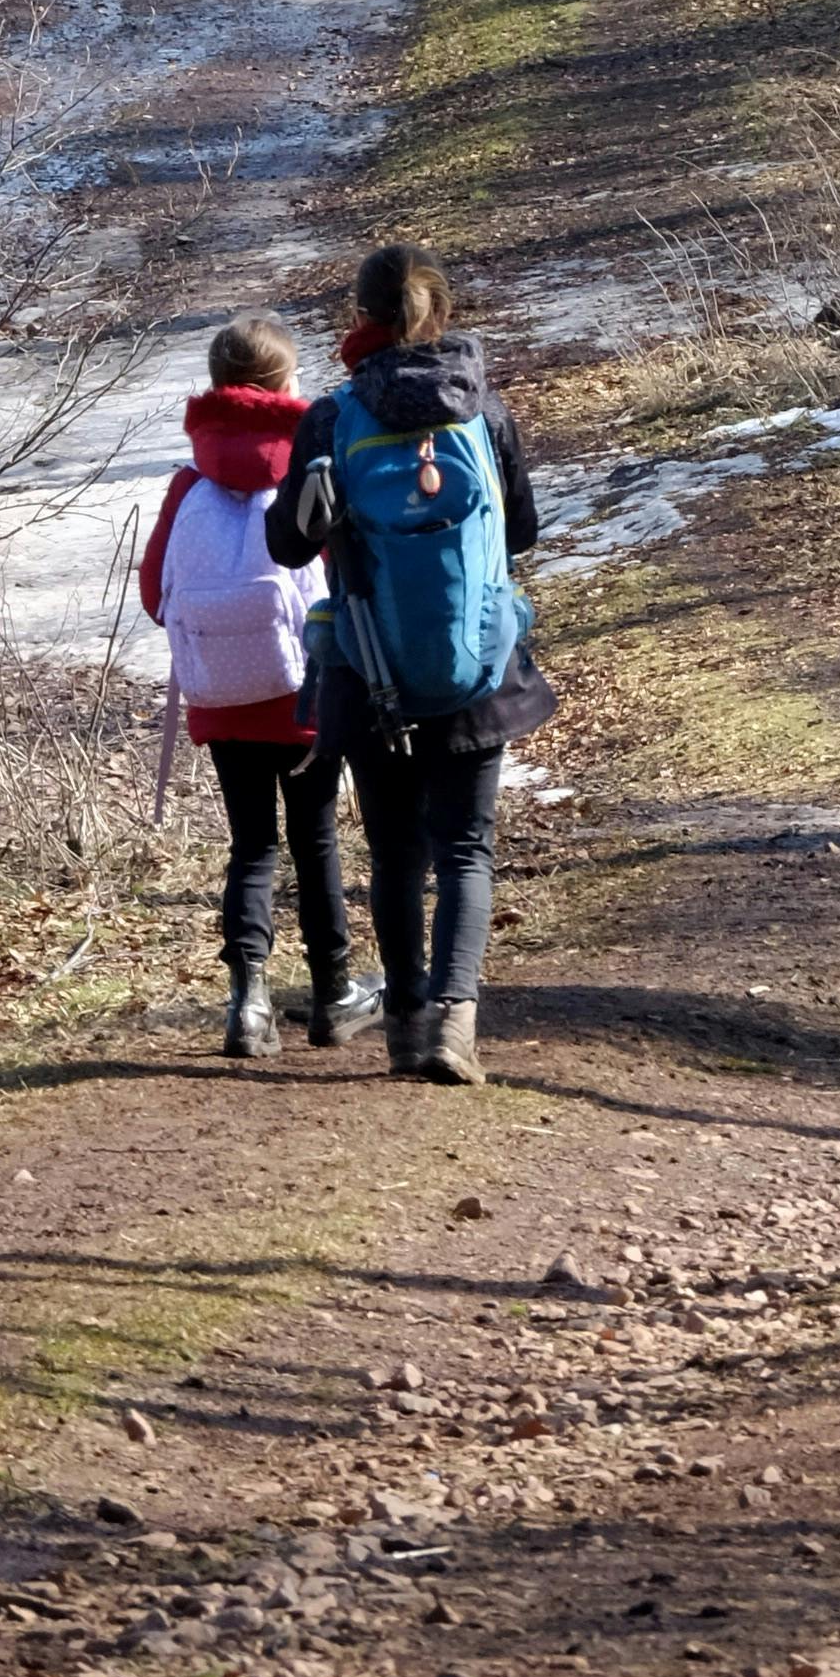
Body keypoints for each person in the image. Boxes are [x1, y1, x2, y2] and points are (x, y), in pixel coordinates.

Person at [267, 246, 553, 1086]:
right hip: (476, 665)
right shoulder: (482, 409)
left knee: (395, 854)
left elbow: (287, 544)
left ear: (358, 318)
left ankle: (404, 1023)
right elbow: (521, 533)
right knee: (466, 848)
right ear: (443, 313)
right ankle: (454, 1026)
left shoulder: (331, 418)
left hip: (369, 665)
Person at [139, 315, 384, 1063]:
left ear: (217, 388)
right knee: (314, 842)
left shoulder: (187, 486)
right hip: (304, 691)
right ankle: (334, 993)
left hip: (220, 693)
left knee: (252, 847)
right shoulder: (313, 466)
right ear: (287, 386)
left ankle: (248, 1004)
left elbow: (156, 595)